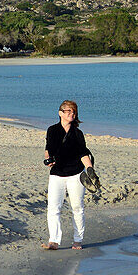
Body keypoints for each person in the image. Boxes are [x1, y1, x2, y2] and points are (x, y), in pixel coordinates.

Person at [43, 100, 95, 250]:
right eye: (69, 111)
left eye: (74, 112)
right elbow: (49, 149)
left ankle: (78, 240)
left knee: (77, 208)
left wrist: (90, 169)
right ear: (60, 113)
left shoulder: (77, 133)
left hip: (76, 174)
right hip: (57, 174)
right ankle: (54, 240)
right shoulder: (52, 130)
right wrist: (48, 159)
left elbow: (83, 153)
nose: (72, 114)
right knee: (54, 208)